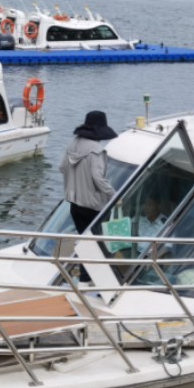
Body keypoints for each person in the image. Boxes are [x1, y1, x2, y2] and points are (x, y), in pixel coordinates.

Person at [60, 111, 117, 279]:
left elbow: (62, 167)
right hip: (94, 207)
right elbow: (98, 178)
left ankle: (84, 278)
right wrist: (114, 195)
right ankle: (93, 280)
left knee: (86, 243)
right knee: (99, 247)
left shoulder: (73, 144)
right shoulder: (97, 150)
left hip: (74, 205)